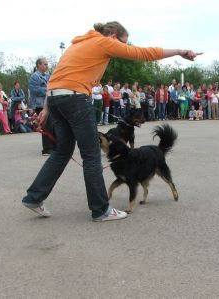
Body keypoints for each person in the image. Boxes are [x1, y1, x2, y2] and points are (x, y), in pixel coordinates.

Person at [22, 21, 201, 221]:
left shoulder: (77, 44)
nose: (122, 49)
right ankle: (100, 210)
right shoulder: (104, 42)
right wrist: (179, 51)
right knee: (91, 155)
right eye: (123, 43)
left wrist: (47, 108)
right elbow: (143, 53)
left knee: (62, 151)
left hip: (55, 99)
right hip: (75, 98)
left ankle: (34, 197)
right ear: (114, 36)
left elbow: (55, 77)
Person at [29, 58, 54, 155]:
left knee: (52, 125)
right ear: (39, 65)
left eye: (47, 64)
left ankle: (53, 145)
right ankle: (47, 149)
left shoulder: (48, 76)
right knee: (46, 125)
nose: (47, 66)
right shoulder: (34, 77)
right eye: (45, 64)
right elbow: (35, 90)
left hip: (48, 103)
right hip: (40, 104)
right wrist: (48, 90)